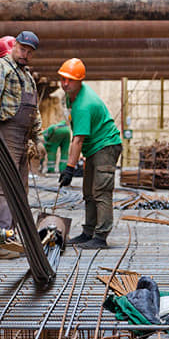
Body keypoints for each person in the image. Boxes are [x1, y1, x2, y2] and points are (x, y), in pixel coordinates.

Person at [0, 30, 43, 259]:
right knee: (3, 189)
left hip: (22, 139)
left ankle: (13, 236)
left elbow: (34, 112)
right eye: (23, 48)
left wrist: (39, 138)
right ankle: (3, 244)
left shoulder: (27, 76)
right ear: (15, 45)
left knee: (19, 190)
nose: (25, 54)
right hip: (4, 134)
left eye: (30, 52)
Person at [57, 58, 123, 250]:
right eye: (63, 79)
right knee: (88, 192)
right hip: (94, 147)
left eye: (70, 80)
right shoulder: (73, 96)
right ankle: (88, 232)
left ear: (80, 80)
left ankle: (100, 236)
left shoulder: (83, 104)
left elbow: (77, 140)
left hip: (106, 146)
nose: (65, 83)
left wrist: (69, 168)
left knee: (101, 191)